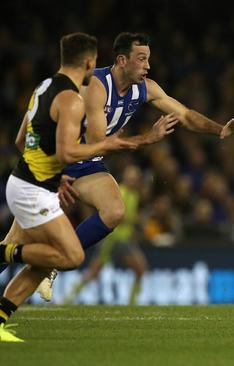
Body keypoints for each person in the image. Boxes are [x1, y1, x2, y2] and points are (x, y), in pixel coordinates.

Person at [13, 32, 234, 301]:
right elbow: (97, 141)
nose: (148, 66)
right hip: (53, 159)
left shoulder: (146, 88)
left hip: (86, 161)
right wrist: (147, 139)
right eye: (141, 59)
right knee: (13, 243)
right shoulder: (96, 87)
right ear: (122, 60)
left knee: (114, 210)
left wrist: (220, 130)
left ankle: (53, 262)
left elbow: (183, 114)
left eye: (148, 59)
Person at [0, 33, 137, 342]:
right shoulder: (71, 98)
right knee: (69, 256)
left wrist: (54, 175)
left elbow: (21, 141)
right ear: (89, 62)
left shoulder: (43, 88)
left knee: (47, 257)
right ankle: (7, 253)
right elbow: (67, 154)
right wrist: (109, 145)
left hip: (30, 182)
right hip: (33, 188)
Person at [63, 165, 147, 305]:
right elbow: (116, 215)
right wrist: (136, 219)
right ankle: (68, 299)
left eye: (134, 177)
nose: (132, 179)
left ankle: (132, 303)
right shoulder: (120, 191)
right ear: (125, 177)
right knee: (94, 272)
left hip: (124, 240)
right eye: (130, 176)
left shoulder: (134, 195)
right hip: (111, 239)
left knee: (140, 268)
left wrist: (133, 229)